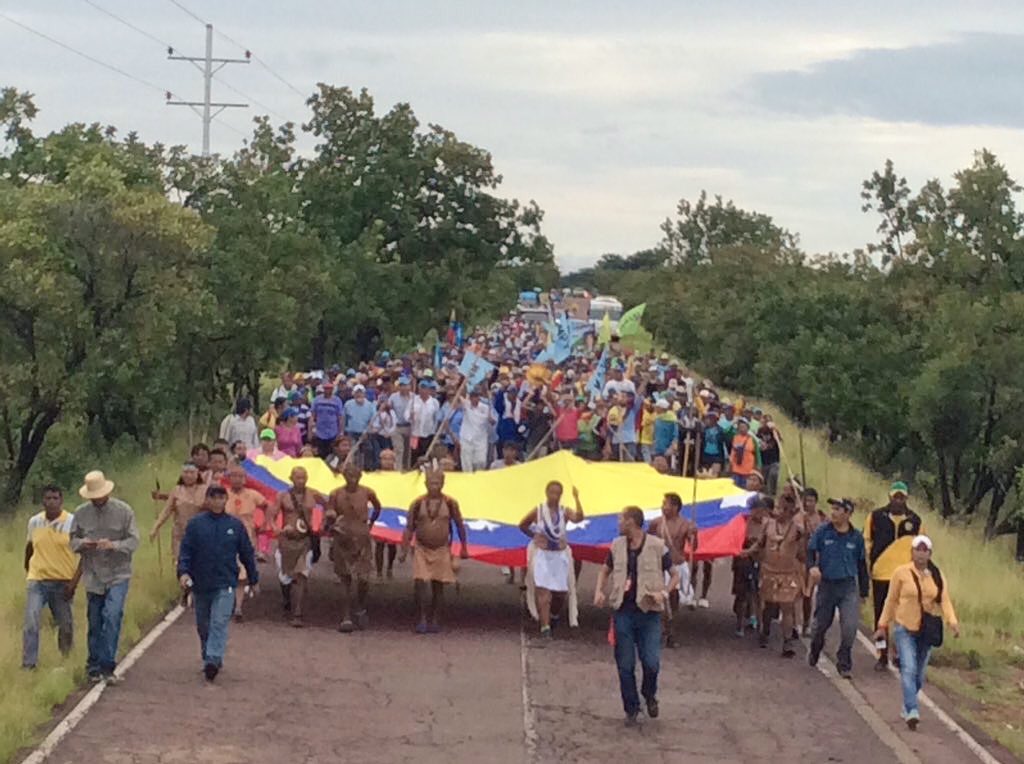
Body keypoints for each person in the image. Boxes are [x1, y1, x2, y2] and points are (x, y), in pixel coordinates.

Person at [594, 507, 678, 727]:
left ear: (631, 522)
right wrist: (599, 591)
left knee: (651, 662)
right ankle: (631, 708)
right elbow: (605, 570)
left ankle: (649, 694)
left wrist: (664, 593)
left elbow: (675, 575)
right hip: (623, 611)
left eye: (621, 519)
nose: (618, 523)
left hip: (649, 613)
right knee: (625, 664)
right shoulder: (616, 546)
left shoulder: (657, 546)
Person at [874, 535, 960, 730]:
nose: (921, 554)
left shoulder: (936, 575)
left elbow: (944, 600)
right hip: (904, 628)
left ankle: (907, 704)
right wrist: (882, 625)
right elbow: (891, 600)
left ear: (930, 554)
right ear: (911, 552)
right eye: (917, 550)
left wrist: (952, 621)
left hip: (926, 631)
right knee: (909, 668)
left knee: (919, 676)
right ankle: (912, 710)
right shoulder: (901, 573)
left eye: (924, 550)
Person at [178, 485, 259, 682]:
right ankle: (208, 653)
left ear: (225, 500)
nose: (217, 501)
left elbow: (246, 553)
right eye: (213, 498)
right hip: (201, 582)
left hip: (226, 582)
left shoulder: (235, 525)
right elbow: (186, 551)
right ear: (207, 500)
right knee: (203, 624)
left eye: (221, 498)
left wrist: (253, 578)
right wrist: (183, 572)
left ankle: (213, 659)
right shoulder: (196, 524)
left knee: (219, 621)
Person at [69, 470, 140, 683]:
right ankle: (93, 665)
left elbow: (134, 541)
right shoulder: (80, 513)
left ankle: (108, 665)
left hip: (118, 573)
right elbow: (72, 541)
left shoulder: (124, 511)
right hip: (93, 575)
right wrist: (85, 544)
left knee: (112, 615)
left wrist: (114, 545)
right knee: (95, 620)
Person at [399, 470, 469, 633]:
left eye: (437, 483)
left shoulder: (450, 503)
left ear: (443, 484)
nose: (434, 486)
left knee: (438, 585)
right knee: (421, 582)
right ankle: (422, 618)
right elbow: (409, 527)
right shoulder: (417, 503)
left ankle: (436, 619)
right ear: (425, 484)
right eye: (431, 483)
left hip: (442, 548)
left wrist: (464, 547)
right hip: (421, 548)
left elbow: (459, 525)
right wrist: (403, 549)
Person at [806, 498, 869, 679]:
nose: (833, 512)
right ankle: (815, 648)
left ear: (848, 514)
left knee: (850, 627)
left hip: (848, 586)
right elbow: (810, 551)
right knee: (820, 625)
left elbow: (861, 565)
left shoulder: (856, 537)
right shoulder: (823, 531)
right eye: (832, 508)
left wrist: (864, 592)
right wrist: (812, 567)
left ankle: (844, 662)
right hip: (827, 585)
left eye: (838, 509)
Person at [865, 481, 924, 671]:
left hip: (905, 576)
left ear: (906, 498)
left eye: (901, 497)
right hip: (880, 574)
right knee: (881, 618)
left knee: (903, 617)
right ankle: (881, 654)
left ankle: (899, 654)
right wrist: (869, 565)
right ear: (890, 497)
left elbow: (922, 547)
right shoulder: (875, 517)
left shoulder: (915, 520)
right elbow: (867, 541)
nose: (898, 500)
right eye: (895, 497)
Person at [22, 485, 81, 670]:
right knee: (31, 620)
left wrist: (74, 583)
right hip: (38, 579)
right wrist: (29, 570)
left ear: (61, 500)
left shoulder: (72, 522)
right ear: (43, 501)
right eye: (48, 498)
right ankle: (29, 664)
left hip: (63, 581)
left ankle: (66, 660)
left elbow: (84, 555)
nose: (52, 502)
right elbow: (29, 548)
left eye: (55, 498)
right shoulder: (35, 522)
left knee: (65, 624)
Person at [518, 482, 585, 637]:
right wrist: (534, 536)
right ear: (546, 493)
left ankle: (553, 616)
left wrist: (577, 499)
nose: (555, 496)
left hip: (559, 556)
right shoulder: (538, 510)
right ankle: (545, 627)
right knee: (543, 591)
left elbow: (578, 518)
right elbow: (522, 524)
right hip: (542, 555)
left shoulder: (564, 511)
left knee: (560, 592)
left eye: (558, 493)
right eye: (552, 492)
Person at [325, 464, 382, 632]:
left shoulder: (367, 492)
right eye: (349, 475)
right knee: (345, 579)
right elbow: (329, 512)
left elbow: (378, 507)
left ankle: (360, 607)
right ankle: (346, 616)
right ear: (344, 476)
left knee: (363, 578)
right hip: (342, 538)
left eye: (355, 475)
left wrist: (370, 523)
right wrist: (331, 518)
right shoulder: (336, 494)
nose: (352, 478)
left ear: (360, 476)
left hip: (362, 537)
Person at [268, 467, 321, 627]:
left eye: (304, 477)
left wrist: (323, 524)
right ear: (291, 478)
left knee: (301, 576)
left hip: (305, 541)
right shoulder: (282, 495)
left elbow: (329, 506)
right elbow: (271, 515)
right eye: (298, 478)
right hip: (286, 541)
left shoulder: (314, 494)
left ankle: (298, 612)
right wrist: (276, 528)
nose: (301, 481)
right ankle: (286, 598)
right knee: (285, 577)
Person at [756, 492, 805, 656]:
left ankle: (787, 642)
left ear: (790, 511)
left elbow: (802, 553)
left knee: (787, 607)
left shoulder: (797, 530)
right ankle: (765, 631)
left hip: (787, 573)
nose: (777, 511)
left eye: (782, 509)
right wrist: (747, 552)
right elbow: (759, 544)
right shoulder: (768, 525)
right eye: (777, 507)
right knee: (768, 606)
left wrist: (805, 537)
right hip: (769, 571)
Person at [648, 493, 697, 648]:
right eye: (663, 503)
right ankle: (660, 631)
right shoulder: (656, 523)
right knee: (659, 601)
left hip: (676, 567)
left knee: (672, 601)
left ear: (675, 507)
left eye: (666, 504)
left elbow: (693, 548)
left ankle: (670, 632)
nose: (663, 507)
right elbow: (647, 543)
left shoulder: (686, 525)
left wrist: (694, 535)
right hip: (659, 566)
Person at [224, 464, 268, 616]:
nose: (237, 479)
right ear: (229, 478)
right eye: (234, 476)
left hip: (246, 538)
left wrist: (265, 523)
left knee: (242, 573)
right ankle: (227, 603)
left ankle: (238, 607)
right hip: (224, 538)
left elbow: (267, 506)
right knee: (226, 571)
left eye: (240, 476)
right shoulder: (222, 494)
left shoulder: (252, 495)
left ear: (245, 479)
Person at [150, 462, 207, 562]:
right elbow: (166, 511)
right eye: (186, 472)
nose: (188, 475)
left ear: (197, 474)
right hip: (180, 534)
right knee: (181, 563)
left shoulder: (205, 490)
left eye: (191, 472)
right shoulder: (177, 490)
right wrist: (155, 527)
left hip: (200, 534)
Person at [732, 497, 769, 636]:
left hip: (761, 562)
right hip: (744, 562)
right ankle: (740, 623)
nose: (759, 514)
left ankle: (760, 625)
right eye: (756, 510)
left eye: (762, 511)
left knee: (759, 594)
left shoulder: (767, 524)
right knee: (742, 594)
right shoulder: (744, 522)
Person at [799, 487, 825, 636]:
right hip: (797, 559)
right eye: (806, 500)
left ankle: (807, 623)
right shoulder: (797, 516)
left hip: (813, 561)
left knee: (808, 594)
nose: (808, 504)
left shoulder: (821, 518)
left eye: (811, 501)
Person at [459, 387, 497, 473]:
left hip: (480, 439)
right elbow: (459, 396)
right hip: (467, 438)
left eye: (476, 396)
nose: (475, 399)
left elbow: (493, 422)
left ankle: (478, 478)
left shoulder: (486, 407)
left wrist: (490, 419)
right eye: (473, 396)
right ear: (470, 397)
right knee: (467, 463)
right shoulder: (466, 405)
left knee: (481, 462)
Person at [343, 384, 377, 468]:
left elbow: (373, 420)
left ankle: (366, 469)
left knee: (368, 450)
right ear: (353, 394)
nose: (359, 394)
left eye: (360, 392)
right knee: (352, 452)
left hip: (365, 433)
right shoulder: (348, 404)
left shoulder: (370, 405)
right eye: (357, 393)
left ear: (364, 394)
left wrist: (368, 431)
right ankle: (352, 469)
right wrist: (343, 430)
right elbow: (344, 418)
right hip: (351, 432)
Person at [310, 383, 345, 459]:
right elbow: (312, 416)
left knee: (332, 456)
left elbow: (340, 417)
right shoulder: (317, 400)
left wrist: (341, 432)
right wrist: (311, 430)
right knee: (319, 455)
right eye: (326, 388)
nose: (328, 390)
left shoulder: (337, 400)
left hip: (333, 433)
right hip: (319, 433)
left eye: (330, 389)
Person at [410, 380, 440, 465]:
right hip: (415, 434)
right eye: (421, 388)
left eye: (425, 388)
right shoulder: (413, 400)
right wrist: (410, 416)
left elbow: (436, 418)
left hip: (428, 434)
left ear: (429, 390)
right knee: (414, 455)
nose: (423, 390)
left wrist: (435, 432)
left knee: (427, 456)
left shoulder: (434, 402)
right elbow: (406, 414)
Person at [389, 376, 416, 471]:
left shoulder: (414, 397)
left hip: (410, 427)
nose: (404, 387)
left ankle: (407, 469)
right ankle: (398, 470)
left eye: (406, 385)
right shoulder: (393, 397)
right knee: (399, 449)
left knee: (408, 450)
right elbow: (389, 409)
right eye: (401, 385)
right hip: (397, 427)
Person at [728, 417, 760, 488]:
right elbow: (726, 432)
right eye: (740, 427)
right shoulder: (735, 437)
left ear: (748, 428)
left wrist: (758, 466)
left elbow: (758, 454)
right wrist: (733, 423)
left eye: (744, 427)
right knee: (735, 488)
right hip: (736, 468)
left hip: (748, 470)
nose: (742, 429)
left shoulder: (752, 439)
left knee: (745, 489)